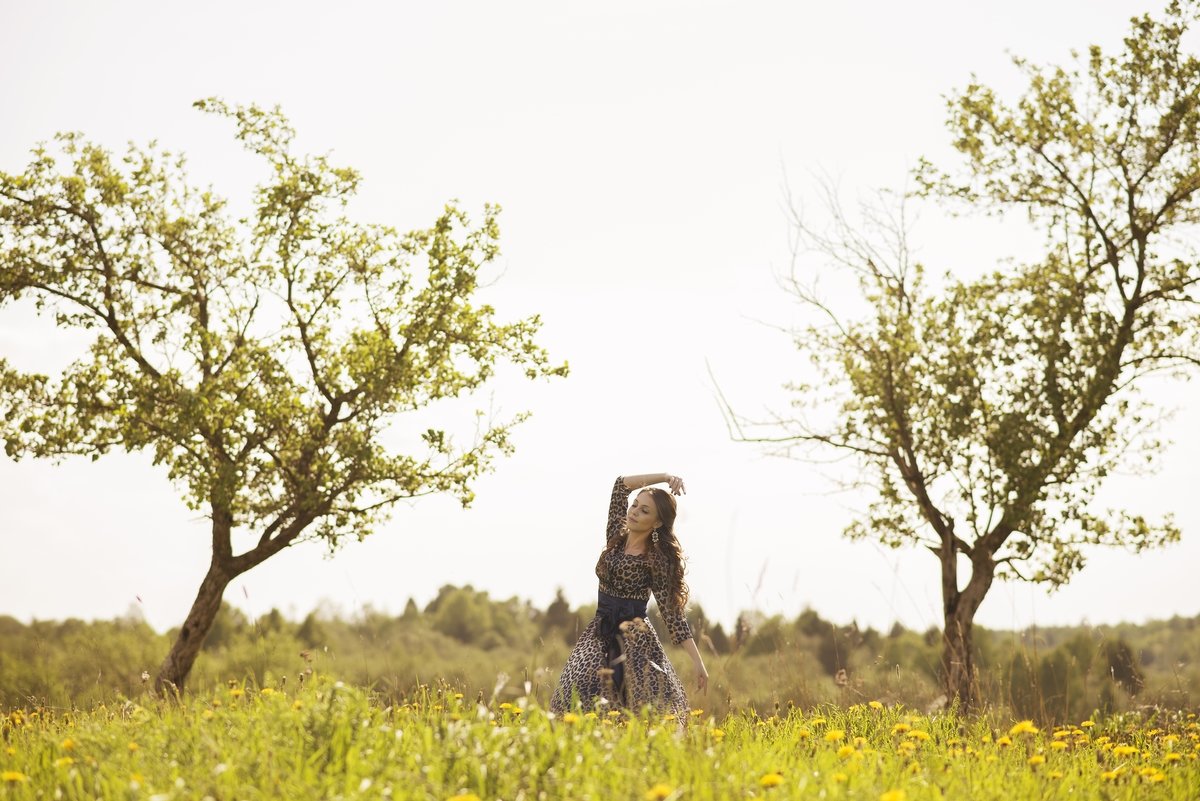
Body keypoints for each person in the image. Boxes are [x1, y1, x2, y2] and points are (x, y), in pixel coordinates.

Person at [549, 473, 708, 717]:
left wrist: (698, 662)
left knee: (638, 710)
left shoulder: (657, 560)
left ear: (656, 523)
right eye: (635, 505)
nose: (633, 511)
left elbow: (672, 616)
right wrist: (665, 477)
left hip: (635, 640)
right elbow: (621, 486)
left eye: (644, 510)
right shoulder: (616, 535)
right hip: (599, 633)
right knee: (575, 699)